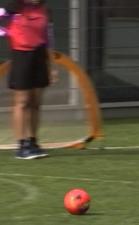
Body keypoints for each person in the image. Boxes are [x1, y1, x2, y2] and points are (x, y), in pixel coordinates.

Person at [0, 0, 53, 159]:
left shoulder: (44, 9)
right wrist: (9, 33)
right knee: (22, 101)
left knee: (35, 102)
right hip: (21, 55)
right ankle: (21, 145)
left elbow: (48, 36)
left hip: (40, 55)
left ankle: (33, 142)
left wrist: (52, 65)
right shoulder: (12, 7)